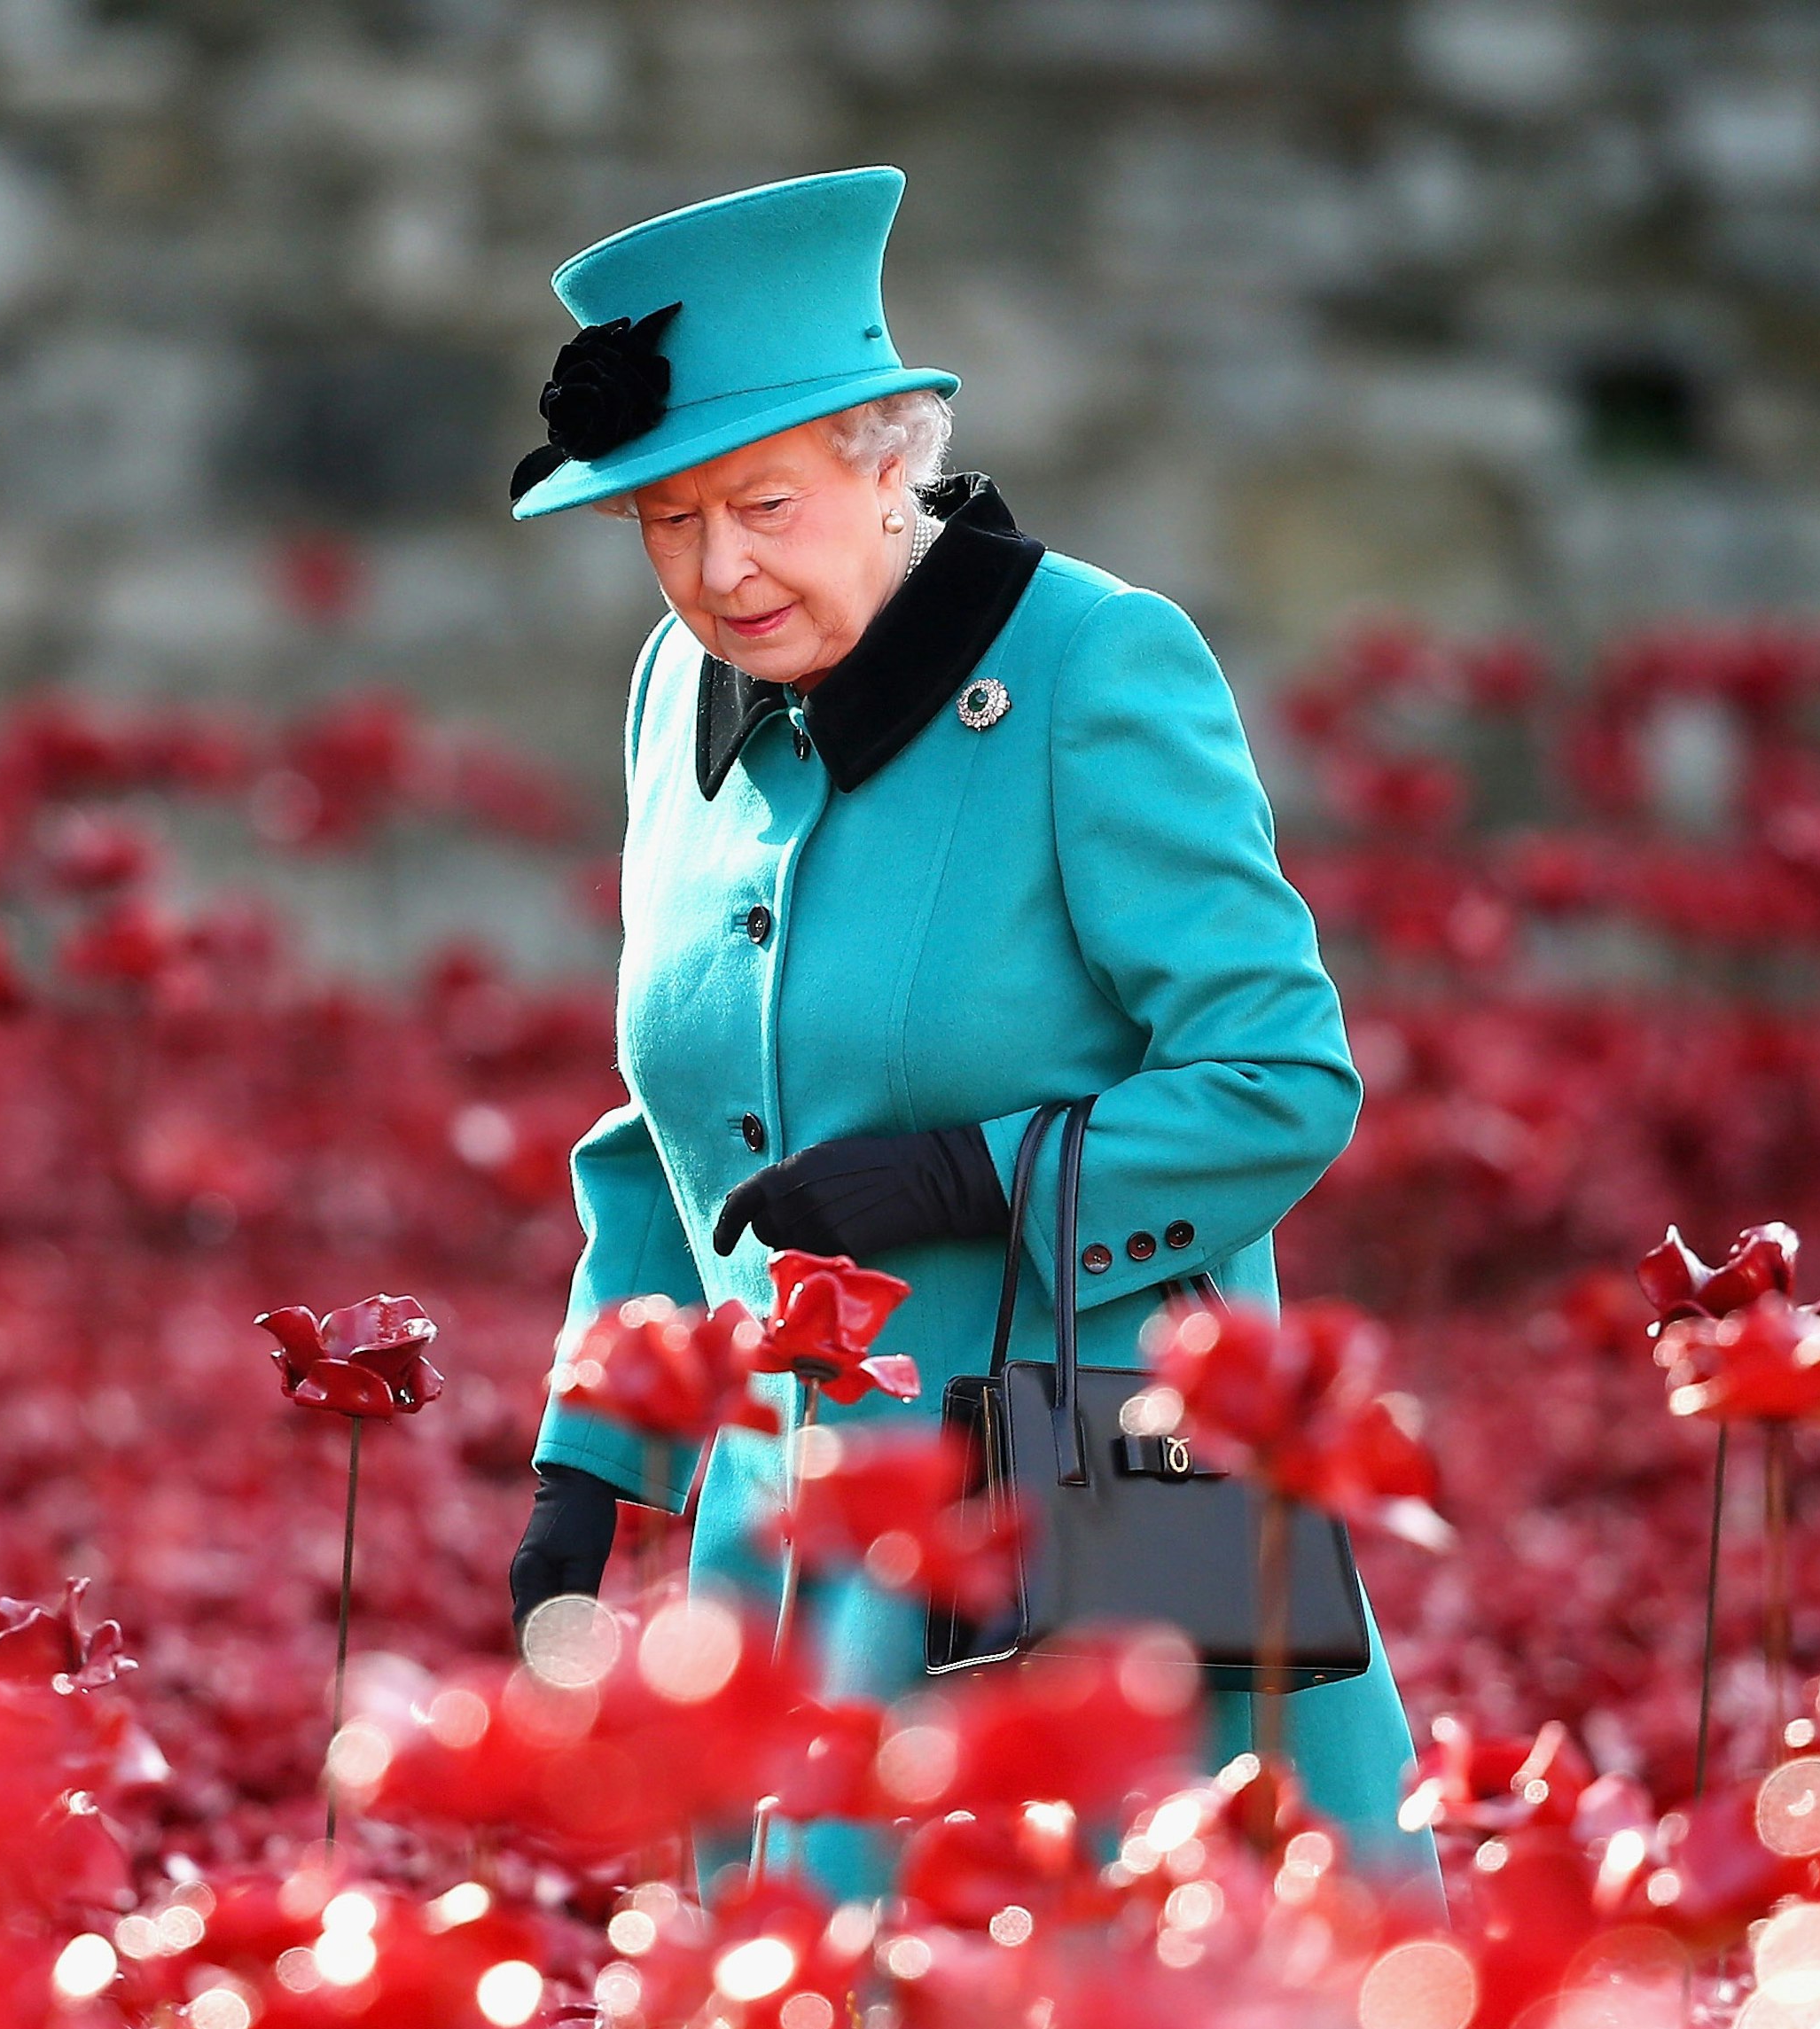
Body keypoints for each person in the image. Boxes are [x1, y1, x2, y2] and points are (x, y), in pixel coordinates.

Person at [497, 168, 1430, 1900]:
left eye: (763, 502)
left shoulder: (1095, 669)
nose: (719, 567)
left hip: (1075, 1511)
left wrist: (968, 1173)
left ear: (883, 455)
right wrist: (591, 1443)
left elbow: (1284, 1078)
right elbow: (675, 1127)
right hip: (778, 1552)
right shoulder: (669, 696)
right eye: (667, 522)